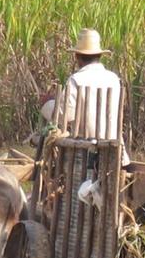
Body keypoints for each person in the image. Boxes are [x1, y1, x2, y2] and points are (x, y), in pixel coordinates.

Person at [40, 28, 129, 165]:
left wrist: (48, 103)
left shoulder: (76, 79)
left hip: (87, 153)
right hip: (116, 151)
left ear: (77, 57)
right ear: (99, 55)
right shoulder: (113, 79)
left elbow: (65, 115)